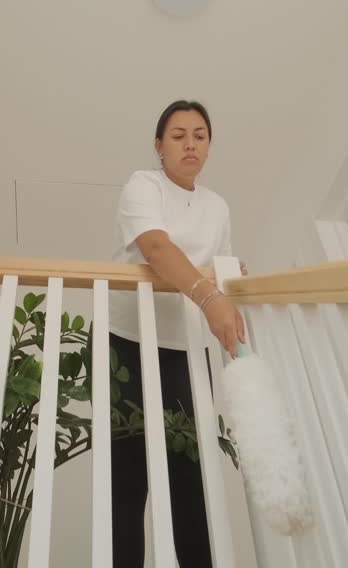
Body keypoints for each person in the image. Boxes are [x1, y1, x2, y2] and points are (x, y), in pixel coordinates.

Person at [108, 99, 246, 567]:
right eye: (179, 135)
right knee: (127, 483)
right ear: (159, 146)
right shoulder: (143, 185)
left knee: (191, 482)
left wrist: (228, 282)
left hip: (190, 353)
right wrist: (209, 295)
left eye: (200, 136)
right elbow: (156, 248)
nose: (190, 144)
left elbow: (220, 270)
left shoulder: (218, 206)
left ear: (208, 147)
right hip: (128, 343)